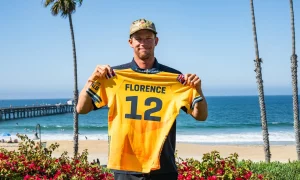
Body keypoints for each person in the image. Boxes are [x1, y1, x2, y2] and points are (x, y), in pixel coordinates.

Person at [77, 18, 208, 180]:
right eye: (138, 38)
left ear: (156, 41)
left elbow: (200, 116)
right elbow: (81, 109)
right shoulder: (114, 76)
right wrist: (92, 79)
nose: (143, 43)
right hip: (125, 166)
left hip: (163, 167)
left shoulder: (174, 78)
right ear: (130, 42)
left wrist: (198, 91)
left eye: (148, 38)